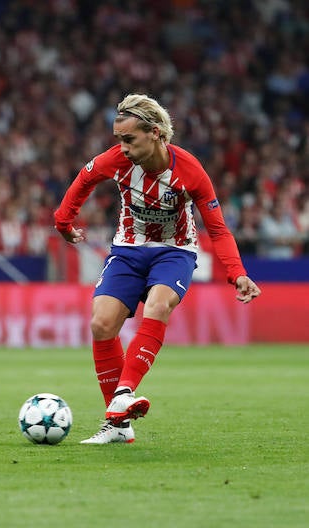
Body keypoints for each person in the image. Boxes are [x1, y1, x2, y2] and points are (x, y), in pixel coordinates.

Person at [53, 93, 262, 444]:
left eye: (129, 139)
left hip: (174, 251)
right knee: (101, 324)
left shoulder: (190, 170)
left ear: (155, 133)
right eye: (118, 139)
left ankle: (124, 392)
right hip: (128, 250)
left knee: (158, 304)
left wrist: (237, 272)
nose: (122, 148)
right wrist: (63, 222)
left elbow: (218, 229)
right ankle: (118, 427)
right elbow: (83, 180)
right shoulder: (115, 160)